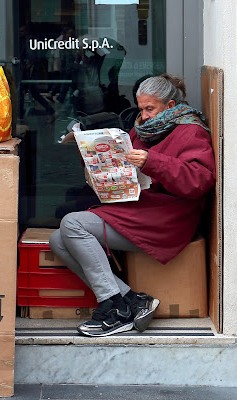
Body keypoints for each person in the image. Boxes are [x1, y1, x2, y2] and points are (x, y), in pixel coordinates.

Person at [49, 74, 216, 337]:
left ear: (170, 106)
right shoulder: (143, 129)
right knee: (57, 239)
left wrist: (152, 161)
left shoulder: (191, 130)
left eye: (150, 109)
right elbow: (124, 164)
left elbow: (199, 181)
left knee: (72, 223)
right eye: (141, 109)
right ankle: (132, 301)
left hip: (169, 218)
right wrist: (94, 159)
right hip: (141, 209)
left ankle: (113, 307)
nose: (144, 116)